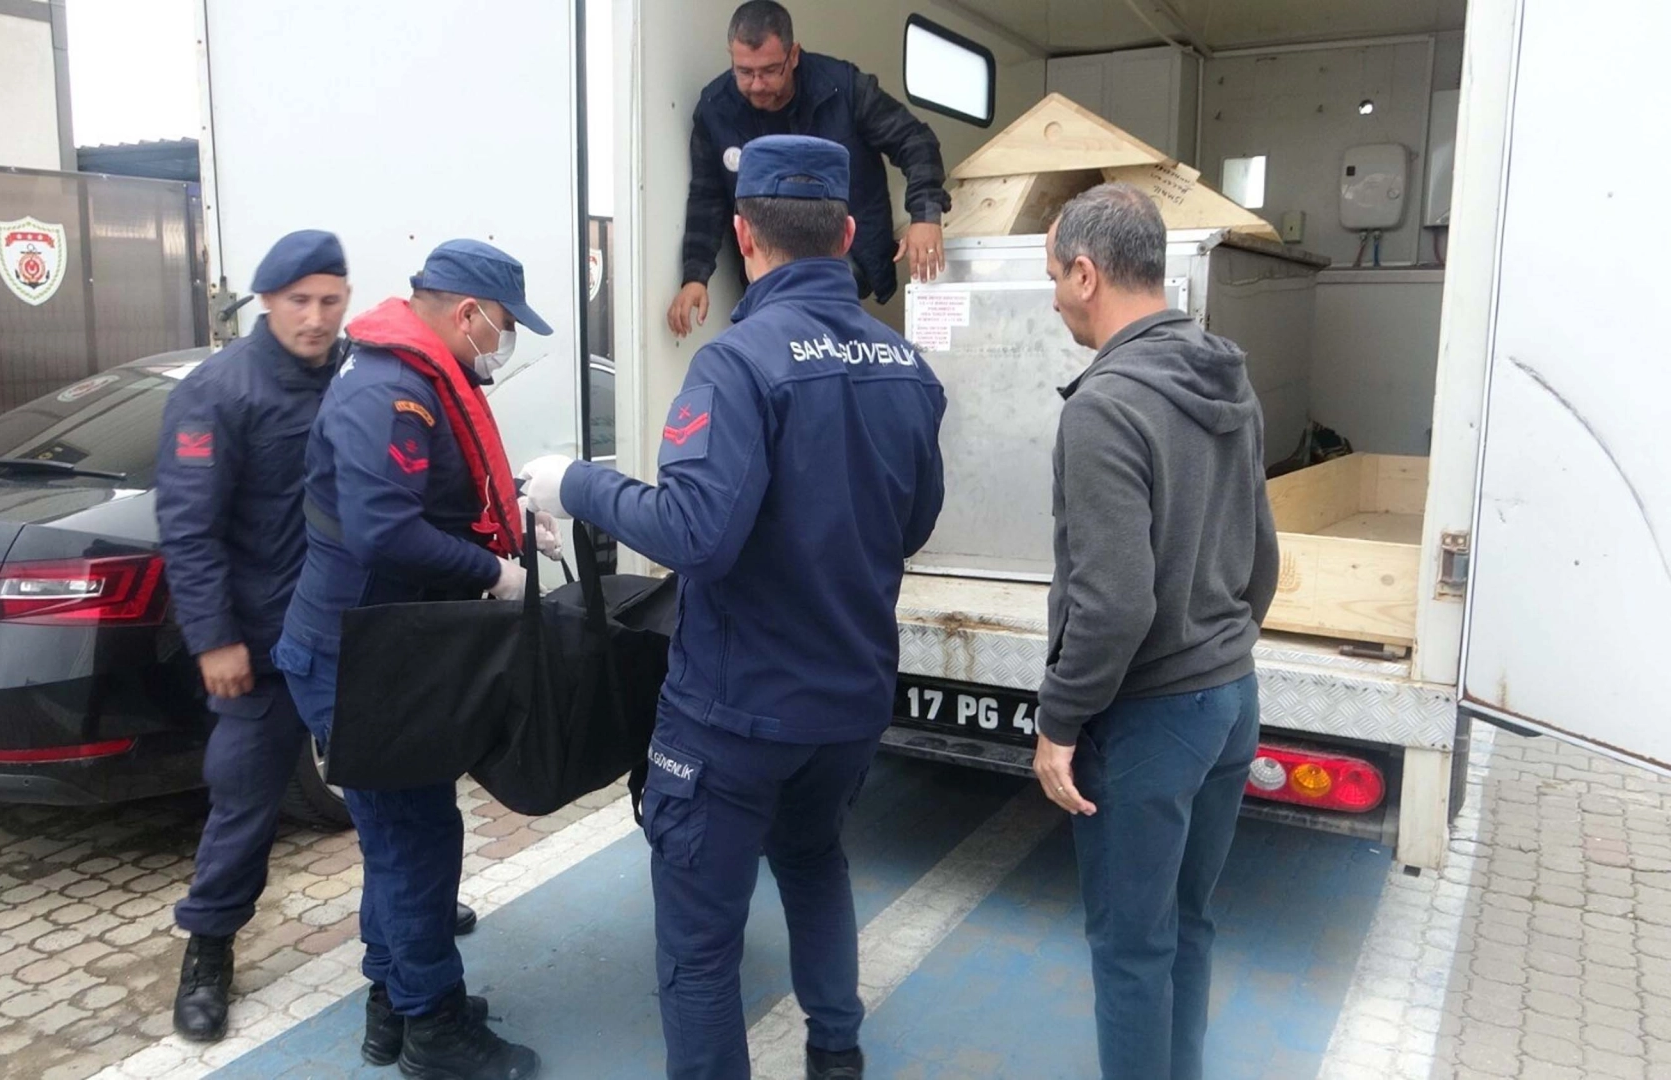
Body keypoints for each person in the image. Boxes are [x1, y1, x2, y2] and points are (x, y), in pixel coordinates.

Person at [522, 135, 946, 1080]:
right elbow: (913, 525)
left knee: (701, 943)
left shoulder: (737, 363)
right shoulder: (906, 366)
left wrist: (576, 485)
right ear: (846, 234)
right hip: (848, 704)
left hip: (734, 714)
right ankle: (836, 1055)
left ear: (744, 237)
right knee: (815, 862)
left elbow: (695, 534)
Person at [271, 239, 558, 1080]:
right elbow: (382, 529)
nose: (505, 343)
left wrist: (508, 518)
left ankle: (389, 1004)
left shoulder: (412, 378)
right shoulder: (391, 391)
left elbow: (423, 501)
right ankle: (433, 1028)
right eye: (503, 324)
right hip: (357, 661)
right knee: (415, 839)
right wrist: (493, 571)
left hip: (383, 652)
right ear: (467, 313)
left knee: (397, 833)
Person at [1028, 183, 1281, 1080]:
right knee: (1189, 923)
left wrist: (1059, 721)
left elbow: (1114, 605)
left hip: (1147, 720)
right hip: (1230, 700)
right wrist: (1220, 647)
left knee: (1132, 947)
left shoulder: (1104, 406)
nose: (1054, 299)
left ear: (1086, 274)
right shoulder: (1226, 378)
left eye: (1054, 278)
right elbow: (1262, 558)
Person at [157, 230, 351, 1043]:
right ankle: (208, 954)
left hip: (348, 633)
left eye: (330, 300)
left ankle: (413, 903)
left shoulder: (354, 375)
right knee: (243, 804)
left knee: (392, 782)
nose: (316, 317)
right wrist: (214, 639)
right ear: (267, 301)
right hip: (261, 647)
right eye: (299, 301)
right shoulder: (219, 391)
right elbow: (189, 529)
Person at [666, 0, 952, 338]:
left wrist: (925, 216)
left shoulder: (843, 89)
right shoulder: (715, 110)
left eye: (769, 70)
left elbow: (915, 140)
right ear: (731, 56)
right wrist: (695, 276)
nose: (756, 84)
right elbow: (707, 197)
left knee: (811, 324)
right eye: (744, 72)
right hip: (766, 266)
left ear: (794, 55)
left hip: (847, 255)